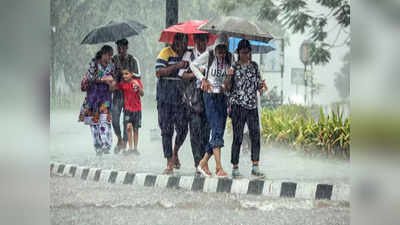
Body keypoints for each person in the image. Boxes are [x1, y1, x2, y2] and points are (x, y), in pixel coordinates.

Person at [190, 34, 233, 177]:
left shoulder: (231, 58)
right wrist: (203, 79)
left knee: (218, 131)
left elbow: (229, 82)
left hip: (223, 97)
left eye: (224, 49)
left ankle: (203, 162)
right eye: (219, 49)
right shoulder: (208, 55)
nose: (221, 52)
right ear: (215, 48)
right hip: (209, 96)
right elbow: (193, 65)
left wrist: (228, 77)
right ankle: (219, 167)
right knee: (215, 129)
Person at [225, 39, 267, 178]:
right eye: (243, 53)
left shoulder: (254, 66)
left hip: (252, 106)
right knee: (238, 137)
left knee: (255, 136)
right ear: (238, 52)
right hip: (238, 106)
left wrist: (261, 86)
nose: (246, 55)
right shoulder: (234, 67)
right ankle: (235, 167)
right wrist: (229, 76)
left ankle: (255, 166)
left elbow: (258, 85)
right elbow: (227, 88)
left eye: (248, 52)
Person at [155, 33, 189, 174]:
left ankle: (175, 151)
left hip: (181, 98)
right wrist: (176, 66)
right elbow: (159, 72)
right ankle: (169, 161)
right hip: (165, 97)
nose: (181, 45)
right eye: (179, 41)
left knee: (183, 128)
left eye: (184, 42)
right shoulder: (165, 52)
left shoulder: (188, 55)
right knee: (166, 130)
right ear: (174, 42)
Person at [177, 33, 211, 175]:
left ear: (207, 41)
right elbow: (181, 74)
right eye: (199, 40)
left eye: (204, 40)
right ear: (195, 41)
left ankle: (203, 162)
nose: (202, 43)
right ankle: (197, 162)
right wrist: (197, 74)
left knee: (206, 132)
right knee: (195, 131)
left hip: (208, 97)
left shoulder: (211, 55)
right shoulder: (188, 55)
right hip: (193, 99)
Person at [79, 45, 115, 155]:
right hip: (93, 97)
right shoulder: (93, 64)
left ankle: (106, 145)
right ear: (103, 54)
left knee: (104, 121)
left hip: (105, 97)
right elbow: (90, 78)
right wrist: (101, 79)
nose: (110, 58)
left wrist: (111, 83)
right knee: (94, 125)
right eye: (108, 55)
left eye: (111, 56)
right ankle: (98, 146)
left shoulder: (112, 66)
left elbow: (114, 79)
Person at [103, 66, 144, 155]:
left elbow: (142, 94)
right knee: (128, 128)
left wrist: (138, 87)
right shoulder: (123, 84)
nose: (124, 76)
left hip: (137, 110)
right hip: (127, 109)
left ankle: (135, 148)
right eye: (123, 74)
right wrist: (108, 82)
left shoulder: (137, 82)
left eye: (126, 74)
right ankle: (130, 147)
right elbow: (113, 88)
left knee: (136, 129)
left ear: (132, 74)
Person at [111, 39, 141, 154]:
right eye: (119, 48)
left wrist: (128, 74)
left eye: (123, 48)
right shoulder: (113, 60)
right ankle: (119, 139)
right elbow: (109, 74)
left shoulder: (133, 60)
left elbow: (138, 75)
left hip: (129, 94)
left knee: (127, 122)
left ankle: (125, 142)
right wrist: (116, 74)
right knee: (114, 119)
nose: (121, 50)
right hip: (118, 93)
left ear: (127, 48)